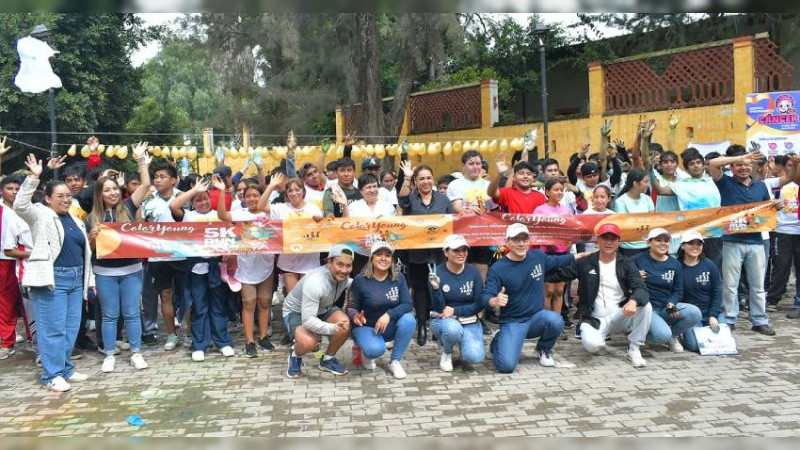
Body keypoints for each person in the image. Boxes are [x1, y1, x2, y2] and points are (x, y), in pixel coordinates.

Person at [14, 154, 94, 392]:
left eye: (68, 195)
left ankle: (66, 368)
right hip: (52, 279)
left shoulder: (75, 219)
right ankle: (51, 374)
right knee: (52, 329)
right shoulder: (40, 214)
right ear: (48, 199)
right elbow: (20, 205)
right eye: (60, 196)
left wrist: (88, 279)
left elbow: (83, 251)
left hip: (75, 277)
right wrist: (34, 177)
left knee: (70, 328)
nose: (66, 199)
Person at [482, 223, 590, 373]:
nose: (521, 244)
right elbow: (485, 295)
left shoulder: (538, 257)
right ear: (507, 242)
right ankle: (498, 341)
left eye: (524, 239)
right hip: (513, 322)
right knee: (506, 366)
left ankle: (543, 349)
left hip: (536, 319)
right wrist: (493, 301)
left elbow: (558, 261)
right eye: (516, 240)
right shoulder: (498, 268)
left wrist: (579, 256)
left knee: (555, 320)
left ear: (529, 241)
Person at [546, 224, 652, 367]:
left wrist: (633, 301)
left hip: (619, 314)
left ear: (618, 242)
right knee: (592, 346)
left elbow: (641, 288)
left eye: (613, 239)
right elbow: (559, 275)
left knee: (645, 306)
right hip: (594, 318)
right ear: (597, 241)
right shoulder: (585, 262)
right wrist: (534, 274)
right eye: (604, 238)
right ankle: (597, 336)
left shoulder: (626, 263)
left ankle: (634, 348)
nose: (609, 242)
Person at [87, 143, 151, 373]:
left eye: (114, 188)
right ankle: (110, 354)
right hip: (105, 273)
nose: (112, 193)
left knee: (133, 313)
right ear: (100, 193)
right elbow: (91, 249)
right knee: (110, 315)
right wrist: (92, 237)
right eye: (106, 190)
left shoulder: (129, 206)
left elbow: (145, 184)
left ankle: (136, 352)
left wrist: (140, 160)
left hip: (132, 270)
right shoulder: (92, 216)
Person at [708, 146, 775, 335]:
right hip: (731, 241)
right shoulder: (725, 183)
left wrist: (774, 206)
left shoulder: (760, 185)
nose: (743, 168)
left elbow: (765, 211)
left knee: (758, 285)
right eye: (739, 165)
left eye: (746, 165)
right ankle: (729, 318)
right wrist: (741, 156)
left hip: (756, 242)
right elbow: (713, 164)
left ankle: (759, 320)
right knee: (730, 284)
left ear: (752, 167)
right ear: (732, 167)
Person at [171, 178, 236, 362]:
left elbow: (231, 237)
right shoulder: (188, 216)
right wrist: (194, 191)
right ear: (192, 202)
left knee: (218, 306)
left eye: (205, 198)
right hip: (196, 269)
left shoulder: (218, 214)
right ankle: (199, 344)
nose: (203, 202)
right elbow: (174, 206)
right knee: (199, 307)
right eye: (198, 200)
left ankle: (223, 342)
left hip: (216, 268)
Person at [398, 162, 454, 346]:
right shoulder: (410, 198)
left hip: (439, 254)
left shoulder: (443, 200)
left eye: (429, 178)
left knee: (437, 289)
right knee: (420, 289)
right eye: (421, 178)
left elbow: (453, 222)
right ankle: (422, 325)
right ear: (416, 180)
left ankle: (438, 325)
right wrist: (406, 177)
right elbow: (402, 200)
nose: (426, 182)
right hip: (417, 254)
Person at [283, 244, 354, 379]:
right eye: (340, 265)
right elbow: (308, 321)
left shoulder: (343, 277)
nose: (344, 270)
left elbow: (358, 284)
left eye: (348, 266)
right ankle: (295, 354)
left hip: (323, 307)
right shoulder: (315, 282)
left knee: (345, 323)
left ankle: (327, 359)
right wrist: (333, 328)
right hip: (296, 311)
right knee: (309, 342)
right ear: (329, 262)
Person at [347, 241, 415, 379]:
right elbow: (350, 307)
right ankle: (367, 352)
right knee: (375, 350)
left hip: (387, 325)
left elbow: (407, 304)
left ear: (392, 259)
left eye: (388, 255)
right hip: (366, 327)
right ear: (371, 258)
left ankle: (394, 361)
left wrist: (389, 314)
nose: (384, 258)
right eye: (379, 254)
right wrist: (355, 316)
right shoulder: (360, 280)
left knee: (409, 320)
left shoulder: (398, 277)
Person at [139, 162, 186, 349]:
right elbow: (138, 224)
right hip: (158, 257)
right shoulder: (149, 200)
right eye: (156, 177)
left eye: (162, 176)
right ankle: (172, 335)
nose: (157, 180)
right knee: (165, 296)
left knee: (186, 296)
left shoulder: (184, 198)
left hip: (183, 255)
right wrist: (142, 200)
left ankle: (191, 333)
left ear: (173, 180)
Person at [258, 174, 323, 306]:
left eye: (297, 189)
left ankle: (307, 326)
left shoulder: (313, 208)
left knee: (307, 300)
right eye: (290, 191)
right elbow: (260, 206)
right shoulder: (281, 208)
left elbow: (322, 231)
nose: (294, 193)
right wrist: (271, 186)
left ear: (303, 191)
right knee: (293, 300)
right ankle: (294, 326)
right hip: (289, 262)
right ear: (286, 193)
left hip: (309, 262)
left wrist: (320, 220)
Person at [652, 148, 722, 268]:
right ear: (686, 168)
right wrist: (650, 169)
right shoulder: (681, 184)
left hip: (713, 233)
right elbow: (660, 191)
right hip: (692, 233)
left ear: (704, 165)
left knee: (714, 268)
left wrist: (742, 158)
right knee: (690, 267)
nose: (696, 166)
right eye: (691, 164)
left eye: (698, 162)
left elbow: (717, 163)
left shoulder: (712, 179)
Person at [634, 228, 702, 352]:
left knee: (694, 312)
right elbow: (624, 282)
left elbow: (678, 290)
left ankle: (673, 337)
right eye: (658, 240)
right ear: (649, 242)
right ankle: (638, 333)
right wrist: (635, 277)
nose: (663, 243)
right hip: (647, 309)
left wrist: (672, 302)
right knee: (661, 336)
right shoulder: (637, 260)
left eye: (666, 240)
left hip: (666, 308)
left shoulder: (674, 264)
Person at [428, 234, 485, 372]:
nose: (461, 253)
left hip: (469, 319)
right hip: (444, 321)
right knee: (452, 329)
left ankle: (462, 343)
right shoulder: (436, 273)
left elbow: (479, 304)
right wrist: (436, 288)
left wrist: (455, 311)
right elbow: (439, 308)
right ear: (446, 252)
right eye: (456, 250)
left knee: (474, 357)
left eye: (464, 250)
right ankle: (447, 351)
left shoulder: (473, 272)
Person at [447, 150, 494, 281]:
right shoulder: (455, 184)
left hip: (483, 235)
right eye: (471, 163)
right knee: (463, 275)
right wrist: (469, 211)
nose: (475, 167)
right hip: (463, 235)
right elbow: (457, 207)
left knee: (481, 276)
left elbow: (495, 210)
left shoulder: (488, 185)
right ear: (463, 166)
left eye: (478, 163)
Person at [0, 176, 33, 360]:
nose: (13, 192)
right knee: (6, 303)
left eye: (16, 188)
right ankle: (7, 342)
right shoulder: (1, 210)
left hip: (25, 263)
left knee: (29, 302)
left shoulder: (26, 210)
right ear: (2, 191)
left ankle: (32, 338)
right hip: (5, 260)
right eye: (9, 188)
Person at [763, 155, 800, 318]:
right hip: (781, 231)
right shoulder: (777, 184)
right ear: (783, 167)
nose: (793, 168)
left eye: (796, 165)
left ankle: (798, 302)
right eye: (790, 165)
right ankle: (773, 299)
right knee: (781, 266)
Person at [677, 230, 723, 353]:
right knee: (696, 346)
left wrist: (714, 315)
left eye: (699, 244)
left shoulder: (709, 265)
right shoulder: (676, 267)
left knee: (721, 342)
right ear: (682, 246)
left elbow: (717, 291)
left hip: (710, 312)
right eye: (691, 243)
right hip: (691, 315)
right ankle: (682, 335)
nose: (695, 247)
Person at [343, 173, 397, 274]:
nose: (372, 190)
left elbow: (396, 228)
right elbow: (347, 227)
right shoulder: (354, 207)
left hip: (384, 254)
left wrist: (385, 223)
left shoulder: (387, 206)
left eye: (375, 186)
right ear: (361, 191)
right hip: (361, 254)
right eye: (368, 187)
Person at [533, 179, 573, 316]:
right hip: (547, 254)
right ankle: (546, 320)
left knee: (560, 290)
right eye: (556, 189)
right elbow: (536, 230)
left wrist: (569, 244)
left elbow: (571, 230)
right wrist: (546, 241)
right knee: (548, 290)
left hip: (563, 254)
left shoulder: (566, 210)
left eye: (561, 190)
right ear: (547, 192)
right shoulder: (540, 210)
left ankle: (557, 321)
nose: (559, 192)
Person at [614, 168, 654, 257]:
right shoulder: (621, 201)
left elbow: (652, 221)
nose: (647, 185)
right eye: (645, 182)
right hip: (628, 248)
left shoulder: (648, 199)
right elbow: (625, 225)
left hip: (647, 245)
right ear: (635, 183)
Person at [581, 185, 614, 253]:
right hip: (590, 250)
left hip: (608, 251)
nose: (599, 200)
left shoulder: (613, 215)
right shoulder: (586, 214)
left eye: (602, 197)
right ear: (592, 198)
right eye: (596, 197)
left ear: (609, 199)